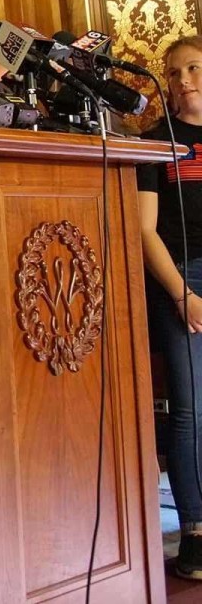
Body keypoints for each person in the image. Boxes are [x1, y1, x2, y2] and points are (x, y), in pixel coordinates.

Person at [138, 34, 202, 580]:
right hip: (180, 279)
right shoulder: (154, 143)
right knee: (190, 410)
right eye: (175, 72)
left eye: (194, 69)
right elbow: (143, 231)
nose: (183, 81)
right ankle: (197, 533)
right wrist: (183, 293)